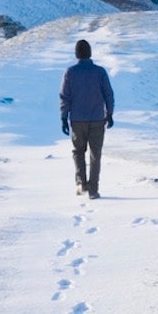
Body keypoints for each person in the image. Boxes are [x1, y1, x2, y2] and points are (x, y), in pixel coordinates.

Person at [59, 39, 114, 199]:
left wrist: (63, 117)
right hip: (97, 119)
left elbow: (64, 97)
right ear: (90, 53)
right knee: (95, 154)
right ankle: (93, 190)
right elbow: (108, 94)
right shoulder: (100, 72)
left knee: (78, 152)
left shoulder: (70, 72)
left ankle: (81, 182)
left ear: (77, 54)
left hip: (77, 120)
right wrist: (109, 113)